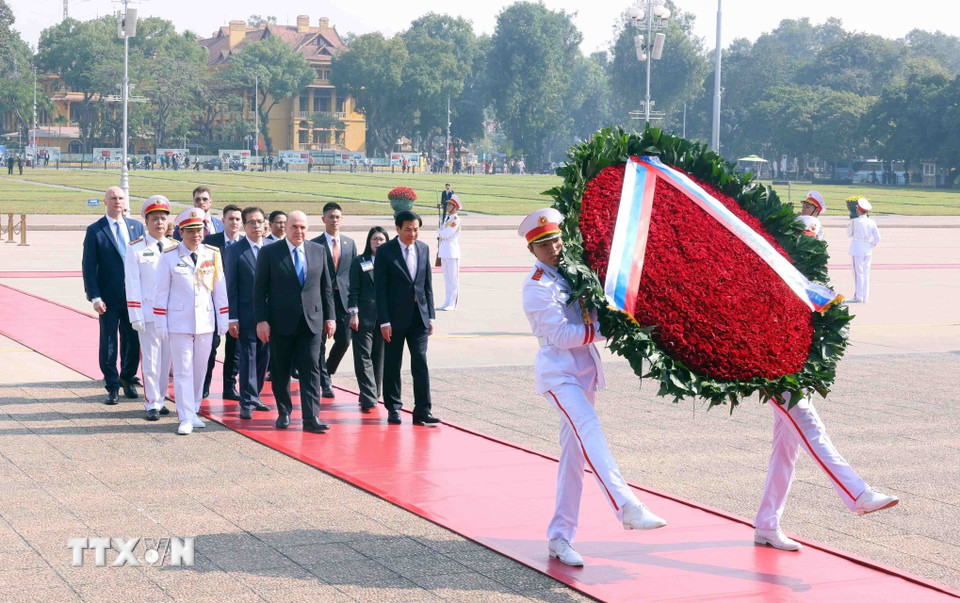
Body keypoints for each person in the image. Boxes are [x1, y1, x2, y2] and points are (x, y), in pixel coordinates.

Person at [519, 208, 667, 567]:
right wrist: (611, 328)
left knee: (573, 458)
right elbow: (563, 335)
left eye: (555, 239)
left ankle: (560, 537)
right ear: (532, 250)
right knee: (589, 427)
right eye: (543, 244)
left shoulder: (570, 272)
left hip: (583, 371)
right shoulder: (537, 287)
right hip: (558, 373)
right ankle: (626, 506)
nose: (552, 247)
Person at [253, 211, 336, 433]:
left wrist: (330, 317)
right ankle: (284, 412)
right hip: (281, 323)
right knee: (281, 370)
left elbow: (326, 287)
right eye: (294, 227)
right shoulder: (270, 252)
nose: (299, 231)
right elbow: (259, 290)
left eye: (303, 227)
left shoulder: (318, 251)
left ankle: (311, 417)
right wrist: (261, 320)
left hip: (312, 322)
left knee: (312, 368)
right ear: (285, 227)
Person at [153, 208, 229, 435]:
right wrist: (160, 323)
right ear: (181, 232)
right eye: (191, 231)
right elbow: (160, 293)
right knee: (183, 370)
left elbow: (219, 289)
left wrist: (222, 318)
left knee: (200, 369)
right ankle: (184, 416)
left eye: (200, 230)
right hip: (179, 322)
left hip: (205, 321)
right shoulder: (169, 256)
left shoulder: (212, 254)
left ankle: (194, 410)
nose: (197, 235)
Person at [374, 210, 439, 426]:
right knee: (393, 363)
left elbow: (426, 284)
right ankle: (393, 407)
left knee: (420, 361)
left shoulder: (423, 248)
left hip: (419, 318)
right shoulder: (385, 251)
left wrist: (431, 316)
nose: (413, 234)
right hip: (393, 319)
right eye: (408, 229)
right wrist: (384, 321)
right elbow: (380, 290)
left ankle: (423, 410)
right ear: (398, 228)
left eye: (416, 229)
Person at [82, 186, 145, 404]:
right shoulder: (95, 230)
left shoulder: (137, 227)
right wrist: (95, 297)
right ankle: (112, 384)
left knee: (133, 340)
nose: (117, 201)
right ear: (105, 202)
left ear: (125, 202)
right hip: (108, 298)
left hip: (134, 296)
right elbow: (89, 267)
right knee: (109, 342)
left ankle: (127, 377)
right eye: (113, 198)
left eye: (120, 198)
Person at [124, 196, 177, 420]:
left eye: (163, 219)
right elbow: (132, 283)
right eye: (154, 219)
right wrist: (135, 315)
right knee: (151, 360)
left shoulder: (174, 247)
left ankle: (161, 398)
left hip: (170, 316)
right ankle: (151, 403)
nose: (159, 223)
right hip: (147, 314)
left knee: (166, 361)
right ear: (146, 222)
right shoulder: (136, 248)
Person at [225, 206, 272, 419]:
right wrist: (232, 316)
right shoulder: (235, 250)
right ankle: (246, 400)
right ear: (244, 226)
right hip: (245, 313)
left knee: (264, 356)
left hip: (270, 315)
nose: (256, 226)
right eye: (251, 222)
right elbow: (231, 286)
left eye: (259, 222)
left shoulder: (273, 247)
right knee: (248, 356)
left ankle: (255, 394)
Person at [311, 202, 357, 398]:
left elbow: (354, 274)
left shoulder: (349, 243)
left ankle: (327, 371)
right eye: (330, 217)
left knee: (344, 341)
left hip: (344, 300)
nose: (334, 220)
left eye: (337, 217)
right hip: (321, 300)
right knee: (319, 343)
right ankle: (324, 381)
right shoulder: (314, 244)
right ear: (323, 219)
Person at [202, 204, 244, 400]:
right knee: (211, 347)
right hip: (214, 303)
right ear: (223, 221)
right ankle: (204, 384)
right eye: (231, 219)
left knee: (234, 349)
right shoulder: (210, 242)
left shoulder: (245, 243)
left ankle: (229, 386)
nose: (234, 222)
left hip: (237, 305)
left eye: (237, 219)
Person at [348, 227, 389, 412]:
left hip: (384, 318)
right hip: (363, 317)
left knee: (379, 357)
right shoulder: (359, 261)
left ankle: (375, 393)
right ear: (369, 241)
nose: (378, 242)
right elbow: (353, 290)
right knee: (363, 357)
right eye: (375, 239)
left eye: (381, 239)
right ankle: (368, 396)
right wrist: (353, 313)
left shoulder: (391, 261)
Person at [847, 198, 881, 303]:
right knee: (866, 273)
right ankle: (864, 297)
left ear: (858, 210)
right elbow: (877, 238)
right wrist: (871, 244)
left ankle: (858, 296)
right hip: (868, 248)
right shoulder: (872, 222)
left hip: (857, 247)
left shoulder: (854, 222)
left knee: (858, 273)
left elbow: (849, 234)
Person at [437, 194, 462, 311]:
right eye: (447, 205)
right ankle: (447, 302)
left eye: (449, 205)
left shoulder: (456, 220)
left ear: (455, 207)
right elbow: (441, 233)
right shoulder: (447, 219)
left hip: (452, 252)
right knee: (447, 279)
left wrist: (441, 232)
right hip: (444, 251)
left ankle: (452, 303)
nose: (447, 206)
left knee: (453, 279)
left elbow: (445, 234)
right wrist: (441, 232)